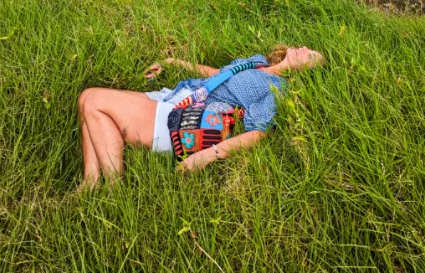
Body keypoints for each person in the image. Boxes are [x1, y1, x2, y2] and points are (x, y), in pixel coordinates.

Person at [77, 45, 325, 188]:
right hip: (177, 95)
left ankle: (113, 190)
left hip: (185, 115)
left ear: (306, 72)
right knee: (86, 96)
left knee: (96, 103)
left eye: (311, 56)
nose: (305, 49)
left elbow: (259, 132)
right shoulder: (257, 62)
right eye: (308, 48)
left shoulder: (276, 87)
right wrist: (174, 61)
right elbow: (216, 74)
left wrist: (207, 156)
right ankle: (90, 182)